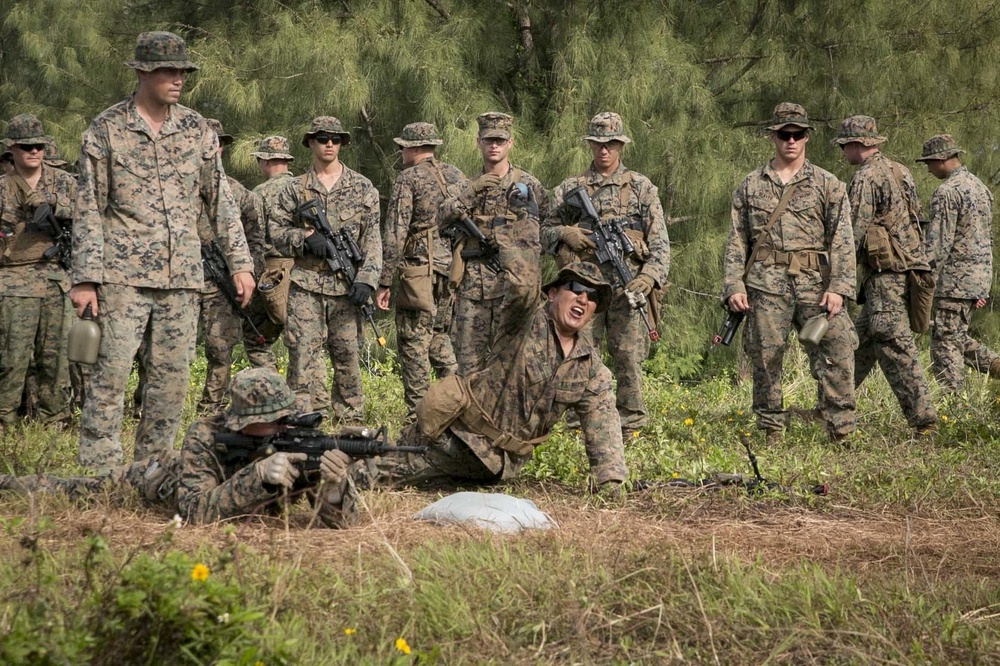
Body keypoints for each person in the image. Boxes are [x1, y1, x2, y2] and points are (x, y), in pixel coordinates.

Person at [331, 191, 627, 497]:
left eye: (593, 297)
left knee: (437, 493)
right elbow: (524, 284)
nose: (583, 299)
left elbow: (602, 423)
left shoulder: (590, 369)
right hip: (457, 438)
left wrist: (611, 485)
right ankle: (314, 463)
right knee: (366, 475)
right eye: (576, 288)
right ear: (552, 294)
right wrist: (527, 222)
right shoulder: (523, 323)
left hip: (495, 467)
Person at [70, 31, 255, 472]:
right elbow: (88, 207)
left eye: (182, 72)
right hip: (121, 278)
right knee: (109, 378)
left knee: (170, 383)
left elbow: (220, 201)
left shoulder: (196, 130)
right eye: (167, 71)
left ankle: (151, 471)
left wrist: (241, 264)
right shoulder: (107, 129)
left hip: (182, 279)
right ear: (141, 72)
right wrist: (84, 277)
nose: (178, 80)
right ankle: (101, 473)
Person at [0, 368, 357, 529]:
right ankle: (8, 483)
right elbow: (194, 513)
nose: (284, 426)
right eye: (274, 420)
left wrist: (336, 487)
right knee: (70, 487)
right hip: (155, 481)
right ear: (244, 423)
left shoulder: (297, 439)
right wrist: (257, 475)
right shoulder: (205, 434)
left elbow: (342, 525)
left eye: (285, 418)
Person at [722, 102, 857, 445]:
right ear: (773, 137)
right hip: (765, 285)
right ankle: (771, 429)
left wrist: (839, 287)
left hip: (816, 285)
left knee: (837, 349)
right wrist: (734, 284)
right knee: (766, 356)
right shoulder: (751, 185)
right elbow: (737, 238)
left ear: (807, 136)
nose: (791, 141)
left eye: (798, 134)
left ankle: (840, 429)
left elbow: (842, 238)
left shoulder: (829, 184)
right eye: (784, 135)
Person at [541, 112, 669, 437]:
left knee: (628, 358)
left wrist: (649, 277)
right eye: (598, 144)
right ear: (590, 145)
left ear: (620, 145)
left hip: (628, 290)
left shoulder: (641, 188)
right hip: (584, 290)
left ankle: (631, 426)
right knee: (579, 354)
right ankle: (576, 424)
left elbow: (660, 243)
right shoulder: (571, 188)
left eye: (611, 144)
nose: (604, 152)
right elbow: (542, 233)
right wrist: (565, 233)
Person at [268, 117, 381, 423]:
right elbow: (275, 232)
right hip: (305, 287)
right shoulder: (294, 189)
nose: (329, 144)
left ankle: (351, 426)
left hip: (347, 289)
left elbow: (372, 240)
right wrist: (304, 238)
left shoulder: (362, 187)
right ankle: (305, 426)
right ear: (311, 143)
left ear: (342, 143)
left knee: (347, 360)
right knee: (303, 360)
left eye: (335, 139)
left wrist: (368, 281)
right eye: (322, 138)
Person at [833, 115, 937, 435]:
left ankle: (924, 421)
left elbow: (852, 231)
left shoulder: (865, 178)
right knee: (860, 346)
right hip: (908, 272)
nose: (843, 153)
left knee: (894, 347)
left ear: (856, 144)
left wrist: (836, 277)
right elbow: (918, 221)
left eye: (844, 146)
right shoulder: (900, 170)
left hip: (885, 276)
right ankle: (833, 408)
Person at [438, 111, 549, 375]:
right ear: (479, 142)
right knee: (468, 363)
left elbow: (546, 228)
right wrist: (472, 191)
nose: (495, 146)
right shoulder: (466, 185)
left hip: (512, 286)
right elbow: (441, 216)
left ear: (510, 143)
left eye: (500, 140)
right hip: (471, 288)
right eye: (489, 140)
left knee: (512, 362)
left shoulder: (528, 184)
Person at [376, 122, 463, 421]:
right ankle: (458, 400)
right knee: (439, 336)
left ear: (413, 147)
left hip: (419, 270)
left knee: (413, 339)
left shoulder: (408, 179)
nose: (400, 151)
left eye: (403, 146)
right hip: (451, 270)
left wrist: (384, 279)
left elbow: (395, 233)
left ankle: (418, 413)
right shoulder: (456, 176)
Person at [0, 114, 76, 433]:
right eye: (27, 146)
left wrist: (55, 205)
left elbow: (91, 216)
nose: (34, 151)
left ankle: (55, 423)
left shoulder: (65, 182)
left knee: (56, 359)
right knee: (11, 358)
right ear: (12, 149)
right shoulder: (4, 187)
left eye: (39, 146)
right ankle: (6, 423)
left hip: (57, 280)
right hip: (14, 281)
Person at [195, 118, 266, 413]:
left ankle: (212, 405)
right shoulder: (175, 188)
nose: (213, 148)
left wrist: (248, 274)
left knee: (219, 346)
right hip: (179, 278)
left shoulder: (240, 194)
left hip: (219, 282)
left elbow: (256, 240)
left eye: (218, 143)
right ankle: (145, 405)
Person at [918, 134, 999, 391]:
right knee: (956, 337)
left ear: (942, 159)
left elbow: (937, 246)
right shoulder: (980, 187)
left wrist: (921, 281)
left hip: (953, 282)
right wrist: (980, 286)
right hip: (976, 278)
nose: (928, 169)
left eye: (929, 162)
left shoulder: (947, 192)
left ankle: (954, 404)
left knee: (944, 343)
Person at [245, 135, 297, 369]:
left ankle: (273, 391)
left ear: (265, 161)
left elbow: (254, 238)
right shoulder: (305, 188)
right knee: (302, 340)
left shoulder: (260, 193)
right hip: (305, 273)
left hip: (273, 273)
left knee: (254, 336)